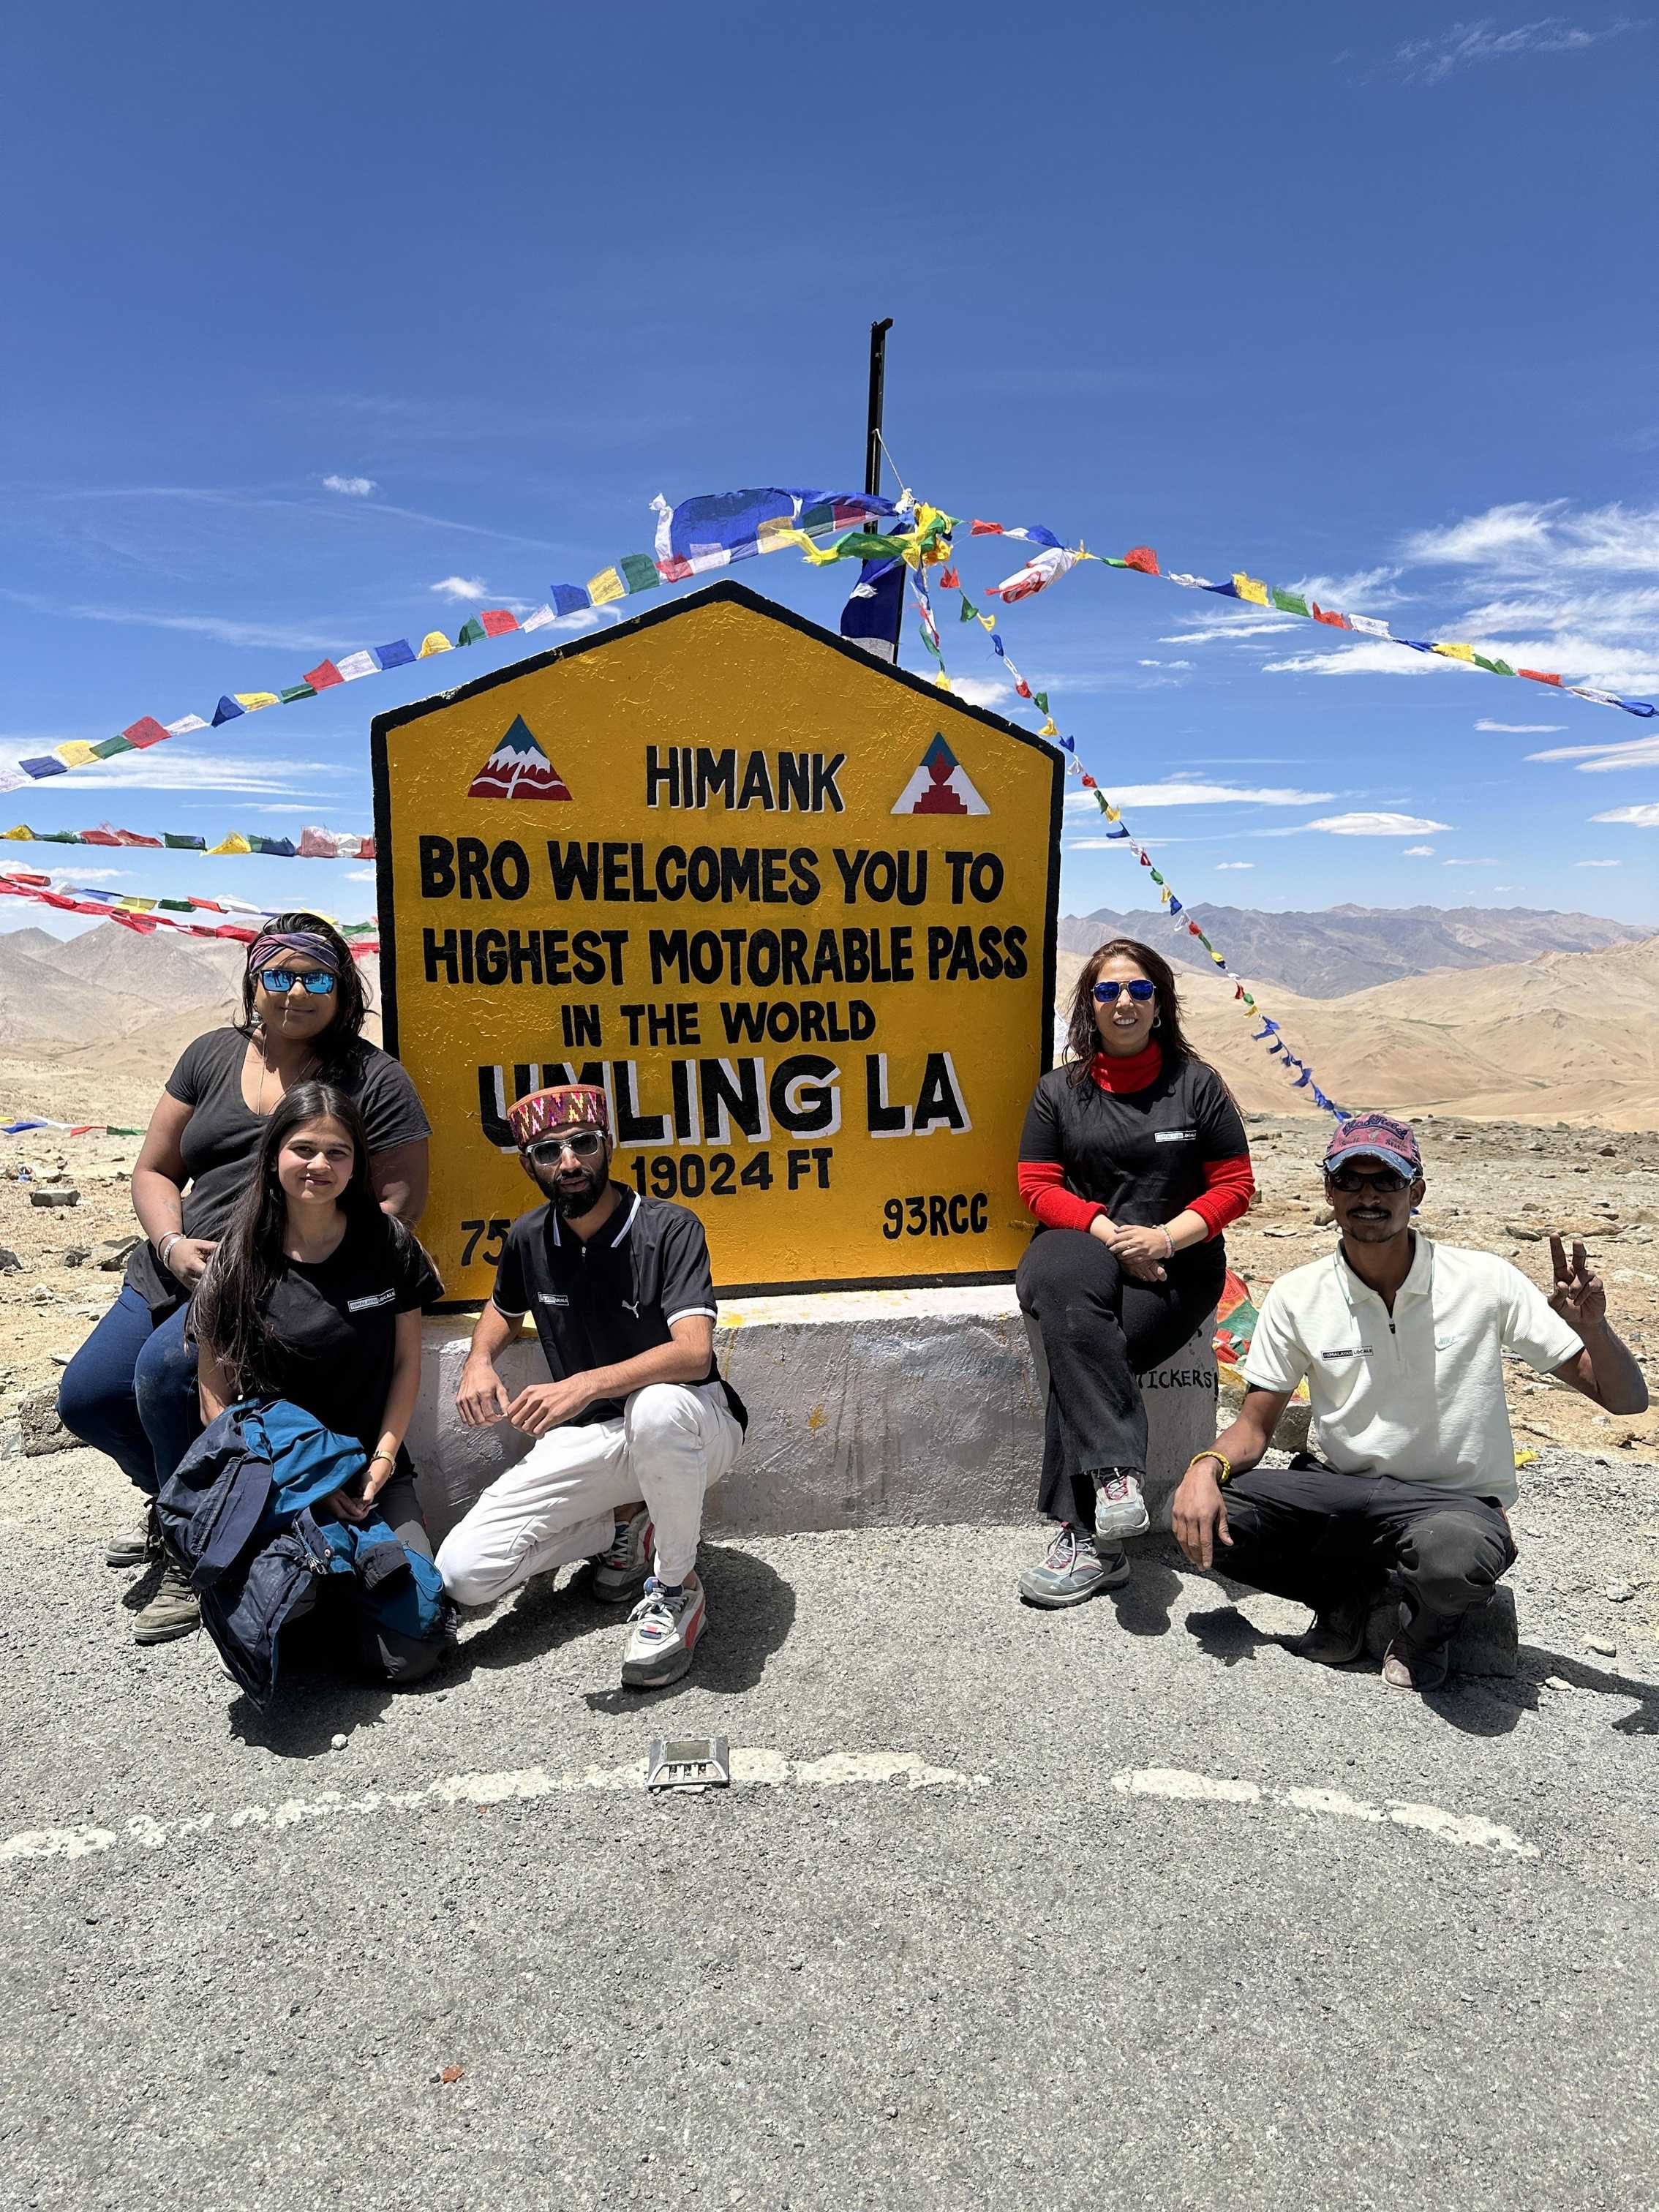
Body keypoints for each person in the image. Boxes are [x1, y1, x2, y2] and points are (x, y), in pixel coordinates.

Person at [1170, 1113, 1649, 1691]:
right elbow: (1253, 1428)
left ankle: (1422, 1633)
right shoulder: (1299, 1295)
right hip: (1347, 1494)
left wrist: (1593, 1330)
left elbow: (1626, 1402)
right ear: (1329, 1191)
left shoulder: (1484, 1281)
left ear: (1415, 1192)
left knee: (1453, 1559)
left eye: (1387, 1180)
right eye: (1350, 1180)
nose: (1368, 1196)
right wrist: (1203, 1468)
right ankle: (1346, 1600)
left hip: (1453, 1504)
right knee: (1212, 1510)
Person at [57, 913, 431, 1643]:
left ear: (343, 987)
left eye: (316, 977)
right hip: (176, 1268)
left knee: (167, 1373)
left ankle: (195, 1547)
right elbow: (155, 1169)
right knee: (89, 1398)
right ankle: (181, 1504)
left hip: (271, 1280)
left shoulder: (372, 1077)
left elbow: (399, 1202)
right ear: (254, 981)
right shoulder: (210, 1055)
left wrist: (304, 1269)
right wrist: (170, 1243)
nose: (296, 992)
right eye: (279, 975)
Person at [434, 1083, 746, 1689]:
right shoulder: (530, 1236)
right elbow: (504, 1307)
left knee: (655, 1407)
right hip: (595, 1437)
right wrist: (478, 1359)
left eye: (583, 1143)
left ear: (609, 1146)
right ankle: (627, 1528)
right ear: (528, 1165)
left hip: (693, 1424)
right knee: (464, 1575)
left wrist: (584, 1384)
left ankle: (676, 1587)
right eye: (548, 1151)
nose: (569, 1161)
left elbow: (693, 1353)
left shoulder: (669, 1227)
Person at [1015, 938, 1255, 1607]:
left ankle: (1092, 1542)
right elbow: (1037, 1184)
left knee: (1086, 1348)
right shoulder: (1059, 1091)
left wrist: (1165, 1239)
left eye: (1139, 989)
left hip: (1178, 1266)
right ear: (1088, 1005)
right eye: (1108, 990)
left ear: (1159, 1003)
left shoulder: (1197, 1086)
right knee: (1065, 1290)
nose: (1124, 1002)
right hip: (1081, 1245)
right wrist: (1112, 1236)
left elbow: (1235, 1185)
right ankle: (1117, 1475)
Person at [192, 1082, 447, 1684]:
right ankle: (309, 1594)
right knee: (285, 1637)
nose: (319, 1165)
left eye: (338, 1152)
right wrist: (307, 1484)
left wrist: (383, 1460)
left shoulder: (387, 1242)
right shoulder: (236, 1259)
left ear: (356, 1165)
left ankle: (346, 1591)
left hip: (373, 1476)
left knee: (413, 1654)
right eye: (304, 1149)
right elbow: (215, 1403)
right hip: (280, 1483)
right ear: (273, 1157)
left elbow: (406, 1366)